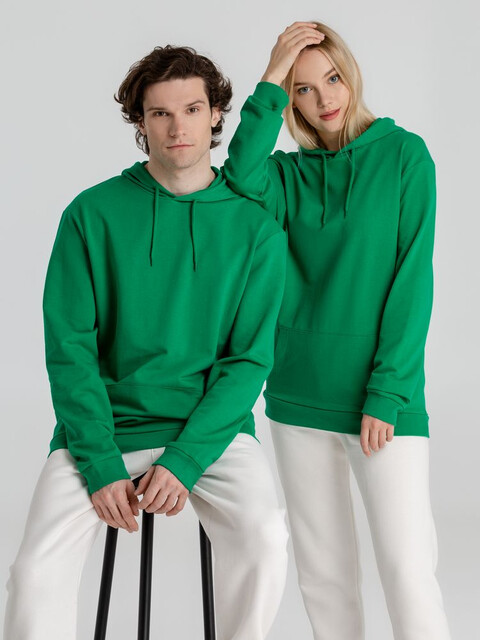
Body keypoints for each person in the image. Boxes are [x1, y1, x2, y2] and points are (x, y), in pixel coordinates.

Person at [3, 45, 289, 640]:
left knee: (265, 539)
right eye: (160, 113)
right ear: (141, 121)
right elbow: (70, 350)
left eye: (191, 109)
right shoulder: (91, 214)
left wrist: (185, 460)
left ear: (216, 114)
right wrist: (99, 461)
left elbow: (247, 362)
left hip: (211, 434)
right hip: (103, 431)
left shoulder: (256, 230)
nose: (177, 127)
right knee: (33, 576)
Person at [222, 20, 451, 640]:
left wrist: (388, 392)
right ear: (289, 100)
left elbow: (412, 282)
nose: (324, 98)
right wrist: (271, 75)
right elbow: (238, 180)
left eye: (331, 78)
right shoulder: (285, 176)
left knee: (407, 571)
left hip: (382, 402)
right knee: (323, 577)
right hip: (297, 398)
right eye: (302, 88)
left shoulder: (404, 156)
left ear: (350, 73)